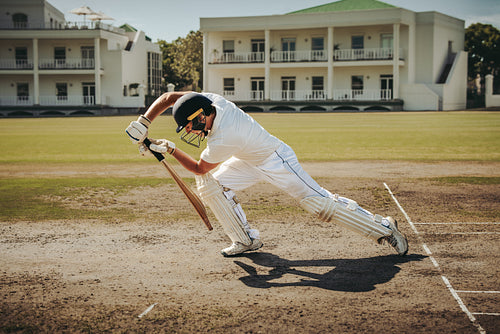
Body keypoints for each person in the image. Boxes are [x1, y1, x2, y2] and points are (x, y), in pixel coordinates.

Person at [125, 92, 408, 257]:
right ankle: (245, 239)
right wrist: (144, 122)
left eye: (190, 126)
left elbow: (199, 167)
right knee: (211, 187)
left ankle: (384, 227)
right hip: (247, 159)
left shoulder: (225, 135)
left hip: (275, 159)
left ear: (202, 116)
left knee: (318, 205)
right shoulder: (210, 100)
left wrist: (171, 149)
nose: (190, 132)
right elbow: (167, 97)